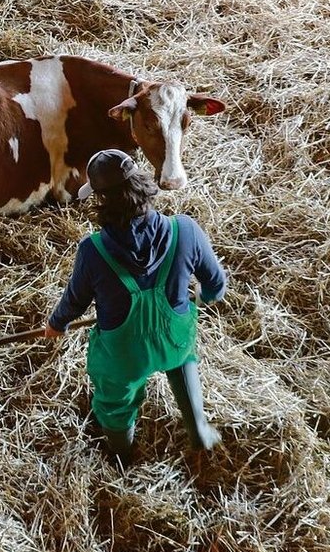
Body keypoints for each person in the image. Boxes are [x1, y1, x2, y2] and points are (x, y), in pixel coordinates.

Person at [44, 149, 226, 463]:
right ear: (141, 182)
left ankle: (121, 452)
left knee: (115, 402)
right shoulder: (186, 231)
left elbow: (75, 301)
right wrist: (203, 297)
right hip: (175, 339)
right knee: (183, 360)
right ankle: (199, 430)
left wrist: (56, 324)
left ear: (100, 200)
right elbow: (216, 284)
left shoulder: (92, 250)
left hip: (124, 355)